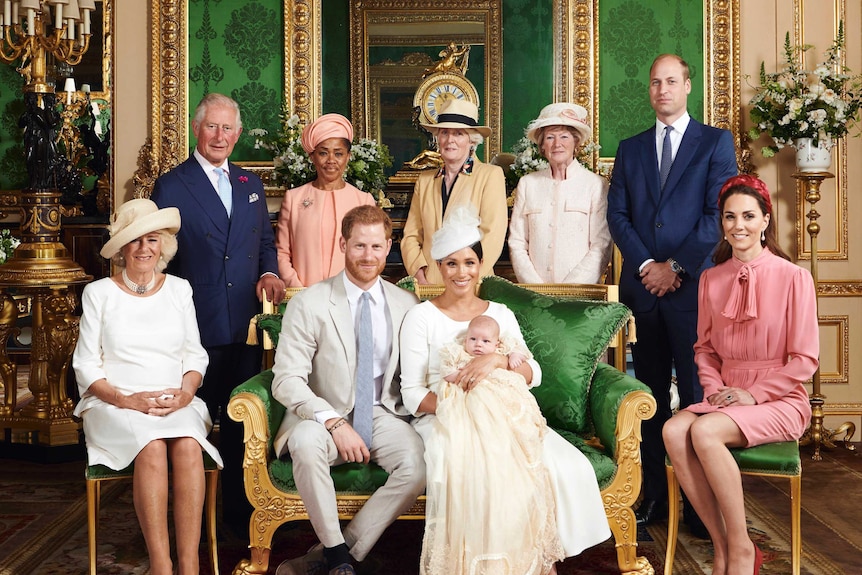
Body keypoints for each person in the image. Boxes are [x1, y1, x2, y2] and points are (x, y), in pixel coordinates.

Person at [400, 206, 609, 574]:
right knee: (482, 471)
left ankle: (531, 560)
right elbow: (412, 393)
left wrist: (496, 361)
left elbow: (534, 371)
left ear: (481, 266)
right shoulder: (421, 317)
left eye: (469, 262)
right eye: (451, 264)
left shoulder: (499, 313)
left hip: (509, 415)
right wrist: (463, 410)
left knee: (562, 463)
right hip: (446, 418)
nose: (461, 272)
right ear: (439, 267)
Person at [606, 53, 738, 530]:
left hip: (693, 290)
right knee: (649, 396)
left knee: (700, 394)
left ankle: (701, 506)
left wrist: (675, 267)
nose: (662, 90)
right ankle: (655, 498)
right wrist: (648, 266)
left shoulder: (715, 143)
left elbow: (717, 214)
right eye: (655, 82)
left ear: (687, 86)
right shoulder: (630, 148)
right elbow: (618, 214)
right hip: (644, 291)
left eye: (670, 81)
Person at [663, 175, 818, 575]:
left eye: (748, 216)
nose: (738, 225)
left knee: (704, 431)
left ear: (765, 220)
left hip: (779, 400)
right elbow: (705, 349)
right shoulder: (711, 279)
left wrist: (753, 394)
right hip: (726, 396)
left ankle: (742, 547)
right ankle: (722, 546)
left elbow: (805, 359)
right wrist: (715, 389)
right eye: (730, 217)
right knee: (673, 430)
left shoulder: (794, 277)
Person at [150, 92, 285, 530]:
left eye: (228, 128)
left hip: (246, 322)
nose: (220, 136)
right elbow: (161, 258)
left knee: (243, 422)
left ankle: (240, 517)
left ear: (238, 134)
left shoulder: (250, 184)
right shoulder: (172, 185)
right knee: (197, 423)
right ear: (196, 128)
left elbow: (264, 243)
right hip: (196, 323)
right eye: (212, 126)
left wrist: (269, 273)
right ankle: (195, 519)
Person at [271, 205, 425, 575]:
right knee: (304, 441)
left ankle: (338, 553)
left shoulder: (407, 304)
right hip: (323, 415)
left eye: (376, 246)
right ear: (343, 244)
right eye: (359, 246)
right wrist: (333, 421)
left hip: (383, 413)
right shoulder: (309, 302)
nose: (368, 256)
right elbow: (286, 379)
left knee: (417, 466)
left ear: (388, 247)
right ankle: (339, 556)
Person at [73, 199, 224, 575]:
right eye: (135, 240)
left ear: (164, 246)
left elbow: (194, 355)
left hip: (175, 399)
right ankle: (161, 564)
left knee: (188, 445)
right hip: (114, 403)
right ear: (122, 248)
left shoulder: (179, 290)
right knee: (152, 446)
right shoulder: (99, 293)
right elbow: (86, 364)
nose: (144, 248)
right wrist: (126, 400)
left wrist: (186, 394)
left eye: (152, 239)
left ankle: (190, 564)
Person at [426, 307, 564, 574]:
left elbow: (527, 366)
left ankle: (524, 548)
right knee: (477, 446)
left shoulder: (504, 346)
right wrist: (460, 375)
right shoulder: (457, 352)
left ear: (497, 343)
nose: (478, 345)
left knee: (519, 447)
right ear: (466, 339)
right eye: (473, 339)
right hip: (471, 400)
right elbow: (447, 373)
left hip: (501, 398)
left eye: (485, 341)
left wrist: (507, 358)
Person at [400, 98, 507, 284]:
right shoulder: (425, 181)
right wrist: (419, 273)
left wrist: (468, 278)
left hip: (472, 284)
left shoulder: (490, 175)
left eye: (458, 133)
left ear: (471, 140)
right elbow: (411, 235)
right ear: (438, 138)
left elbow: (492, 235)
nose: (450, 140)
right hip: (429, 283)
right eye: (444, 133)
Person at [508, 102, 612, 284]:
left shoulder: (595, 185)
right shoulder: (528, 184)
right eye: (550, 138)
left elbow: (601, 245)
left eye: (564, 137)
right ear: (542, 145)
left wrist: (572, 289)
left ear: (576, 143)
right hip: (535, 292)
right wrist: (536, 288)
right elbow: (517, 242)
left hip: (580, 292)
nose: (557, 144)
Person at [276, 113, 376, 287]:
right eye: (323, 153)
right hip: (303, 295)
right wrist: (298, 290)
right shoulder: (293, 198)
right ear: (312, 156)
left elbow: (371, 254)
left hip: (350, 295)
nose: (331, 160)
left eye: (338, 154)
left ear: (348, 156)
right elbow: (282, 252)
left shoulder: (363, 200)